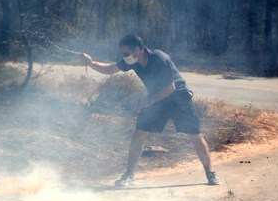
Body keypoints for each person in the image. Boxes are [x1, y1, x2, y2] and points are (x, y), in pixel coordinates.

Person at [82, 33, 219, 187]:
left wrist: (148, 101)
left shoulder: (160, 59)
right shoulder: (132, 61)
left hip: (178, 97)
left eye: (126, 53)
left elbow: (170, 87)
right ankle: (129, 175)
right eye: (123, 53)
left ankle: (210, 173)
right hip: (156, 99)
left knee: (195, 136)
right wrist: (91, 63)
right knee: (139, 133)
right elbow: (110, 69)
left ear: (137, 50)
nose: (124, 56)